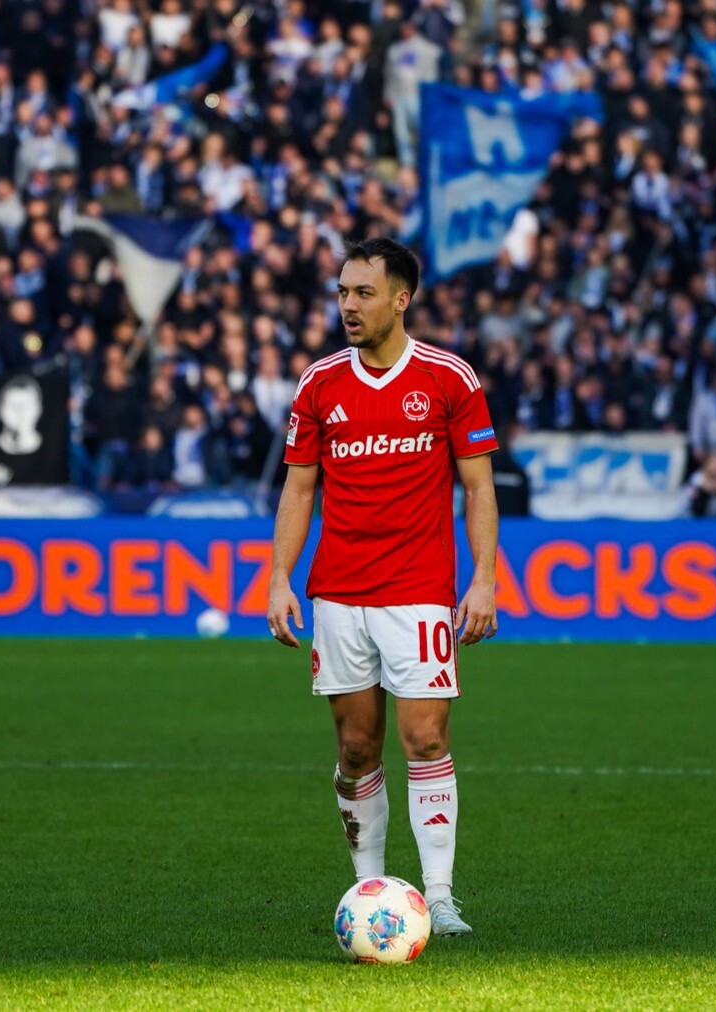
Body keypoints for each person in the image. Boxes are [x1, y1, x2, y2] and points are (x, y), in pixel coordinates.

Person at [267, 238, 499, 937]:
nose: (348, 305)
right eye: (343, 292)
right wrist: (279, 577)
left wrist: (484, 578)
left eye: (363, 293)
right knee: (357, 748)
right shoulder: (319, 385)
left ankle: (440, 896)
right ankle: (368, 888)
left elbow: (478, 487)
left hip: (419, 588)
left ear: (401, 299)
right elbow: (298, 489)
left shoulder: (449, 378)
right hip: (339, 592)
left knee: (425, 737)